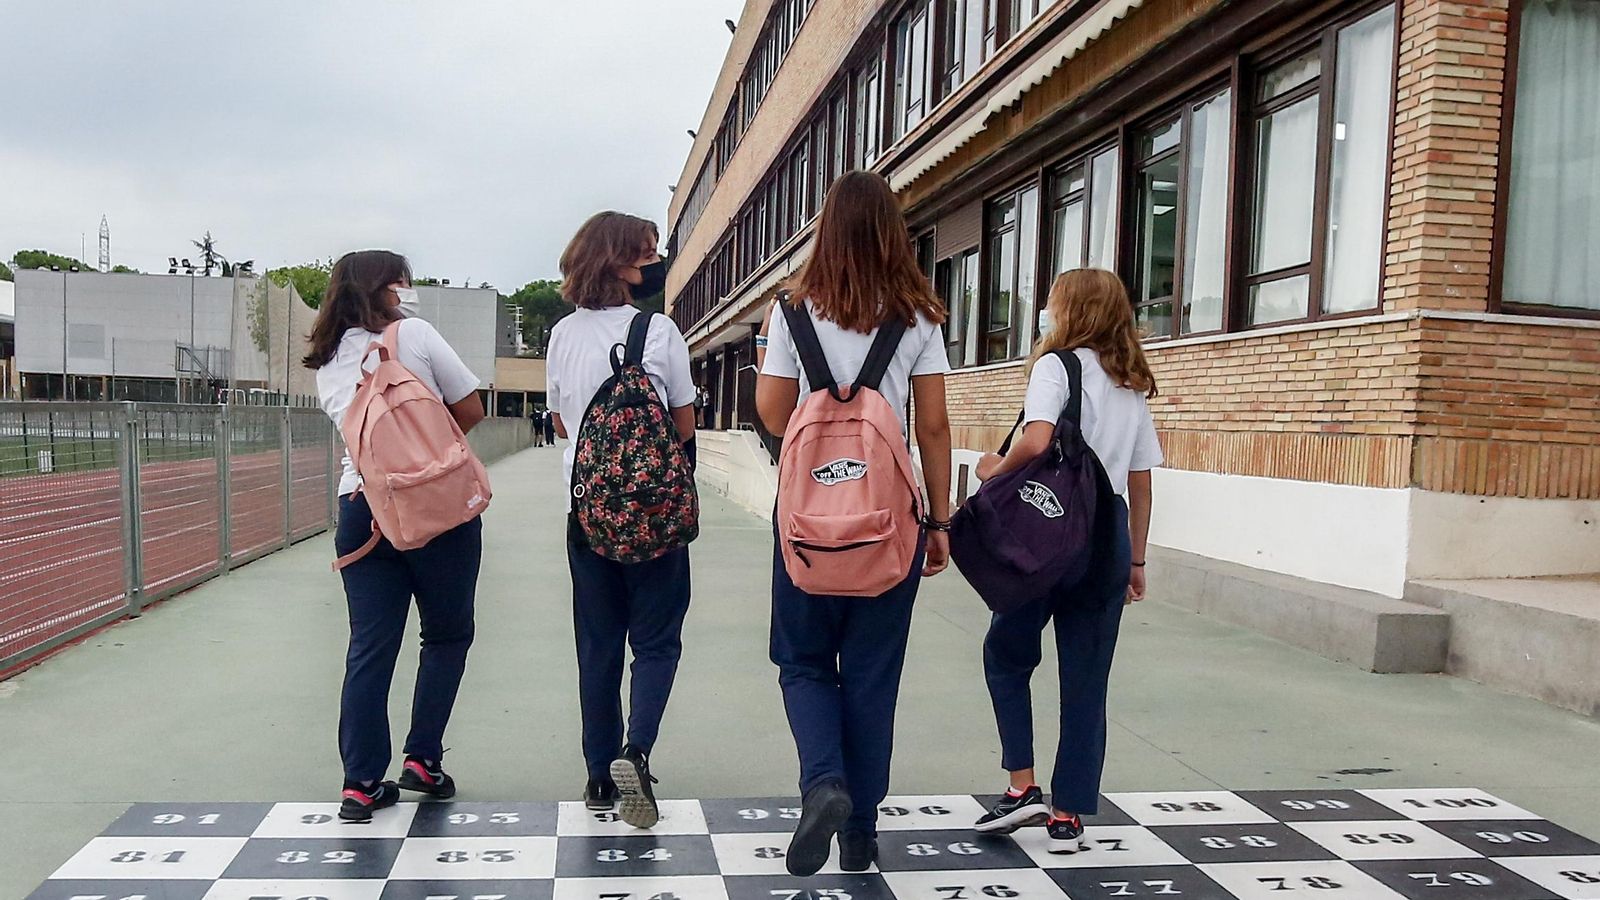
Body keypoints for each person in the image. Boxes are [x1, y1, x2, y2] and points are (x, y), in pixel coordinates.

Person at [755, 171, 952, 876]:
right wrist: (938, 521)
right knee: (872, 677)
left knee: (803, 662)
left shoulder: (793, 312)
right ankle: (860, 835)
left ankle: (823, 784)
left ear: (826, 229)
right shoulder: (919, 315)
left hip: (807, 522)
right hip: (888, 524)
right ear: (892, 232)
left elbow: (774, 413)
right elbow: (931, 427)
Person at [969, 268, 1161, 851]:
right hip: (1109, 540)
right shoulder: (1131, 382)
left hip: (1050, 533)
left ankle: (1022, 786)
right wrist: (1137, 561)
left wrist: (990, 469)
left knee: (1006, 652)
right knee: (1086, 678)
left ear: (1070, 312)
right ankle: (1069, 812)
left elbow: (1035, 437)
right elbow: (1141, 479)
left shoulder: (1059, 366)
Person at [304, 249, 486, 822]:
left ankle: (359, 783)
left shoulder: (328, 359)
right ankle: (422, 760)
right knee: (447, 635)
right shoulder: (417, 335)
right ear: (386, 288)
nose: (409, 289)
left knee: (370, 644)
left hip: (363, 508)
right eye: (402, 280)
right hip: (437, 506)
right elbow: (471, 407)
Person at [547, 211, 698, 828]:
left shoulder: (560, 336)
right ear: (619, 258)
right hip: (656, 518)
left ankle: (597, 773)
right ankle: (636, 751)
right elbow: (684, 425)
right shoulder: (658, 331)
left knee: (598, 645)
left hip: (588, 515)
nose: (655, 259)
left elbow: (562, 425)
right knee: (657, 642)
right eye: (647, 251)